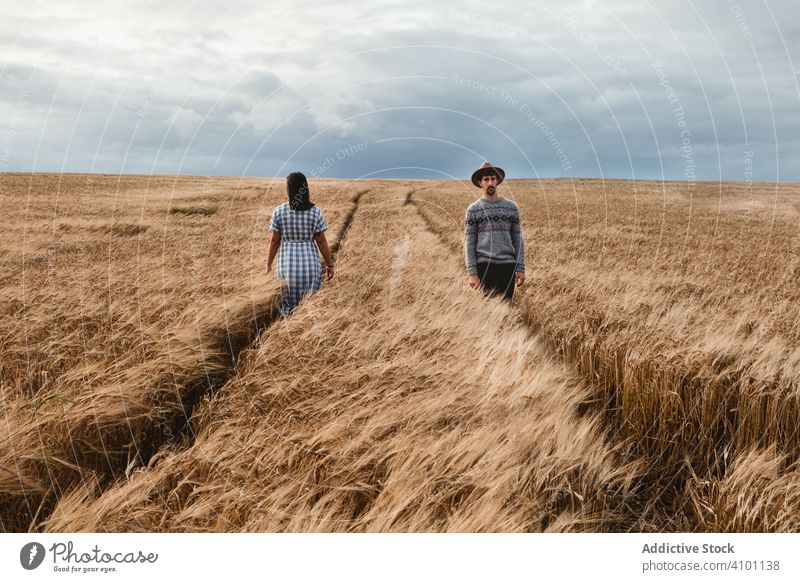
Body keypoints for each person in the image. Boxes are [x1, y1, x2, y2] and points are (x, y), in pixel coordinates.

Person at [267, 172, 334, 316]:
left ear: (289, 189)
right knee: (310, 310)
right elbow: (321, 241)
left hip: (286, 268)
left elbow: (274, 241)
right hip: (310, 268)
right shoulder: (316, 212)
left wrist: (268, 265)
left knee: (285, 311)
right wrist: (329, 264)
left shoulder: (279, 211)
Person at [464, 161, 526, 302]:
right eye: (486, 179)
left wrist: (520, 268)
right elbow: (469, 243)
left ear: (497, 181)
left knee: (506, 310)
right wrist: (472, 273)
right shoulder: (473, 210)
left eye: (492, 179)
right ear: (480, 183)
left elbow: (518, 239)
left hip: (508, 266)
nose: (490, 182)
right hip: (485, 266)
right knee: (488, 314)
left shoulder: (511, 208)